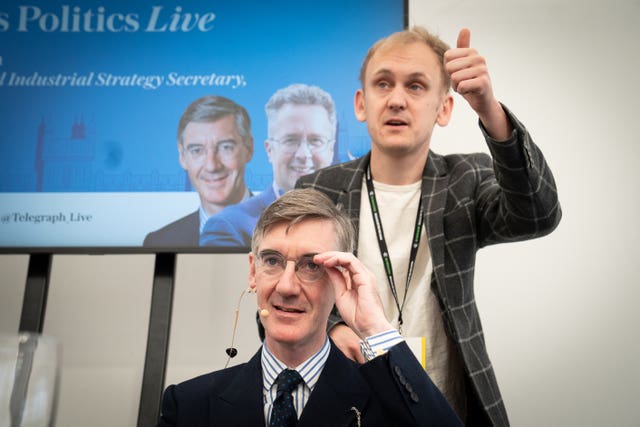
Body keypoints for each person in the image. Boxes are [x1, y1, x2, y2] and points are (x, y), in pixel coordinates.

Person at [296, 27, 562, 426]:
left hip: (445, 406)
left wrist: (489, 109)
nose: (397, 99)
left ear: (444, 109)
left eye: (417, 86)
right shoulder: (319, 189)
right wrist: (333, 331)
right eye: (383, 83)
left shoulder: (465, 179)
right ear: (361, 103)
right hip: (343, 403)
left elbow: (538, 214)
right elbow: (280, 298)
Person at [156, 188, 463, 427]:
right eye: (273, 261)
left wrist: (375, 328)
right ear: (253, 270)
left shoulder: (385, 401)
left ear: (342, 276)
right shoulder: (188, 406)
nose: (287, 287)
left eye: (311, 265)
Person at [199, 83, 337, 248]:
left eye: (316, 141)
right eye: (290, 140)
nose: (303, 154)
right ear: (269, 150)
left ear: (331, 149)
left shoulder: (353, 216)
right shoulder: (229, 226)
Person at [143, 95, 254, 247]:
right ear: (182, 157)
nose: (212, 166)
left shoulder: (291, 231)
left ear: (249, 149)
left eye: (226, 147)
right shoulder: (160, 242)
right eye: (197, 150)